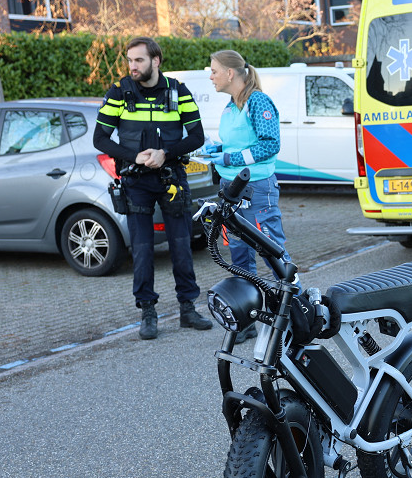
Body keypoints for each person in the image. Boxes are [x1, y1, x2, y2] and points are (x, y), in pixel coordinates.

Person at [93, 36, 212, 340]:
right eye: (130, 60)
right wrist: (134, 156)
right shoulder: (119, 93)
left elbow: (197, 136)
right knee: (143, 250)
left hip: (172, 178)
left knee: (182, 246)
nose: (132, 66)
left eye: (139, 60)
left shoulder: (178, 92)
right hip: (135, 182)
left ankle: (188, 309)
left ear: (156, 61)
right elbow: (100, 139)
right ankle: (148, 312)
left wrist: (165, 154)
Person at [203, 50, 290, 341]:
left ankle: (300, 310)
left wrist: (232, 158)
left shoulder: (258, 101)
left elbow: (270, 145)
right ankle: (247, 319)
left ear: (230, 73)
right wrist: (216, 152)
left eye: (214, 70)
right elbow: (236, 144)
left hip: (257, 190)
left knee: (272, 251)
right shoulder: (230, 106)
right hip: (232, 192)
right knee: (240, 256)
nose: (210, 75)